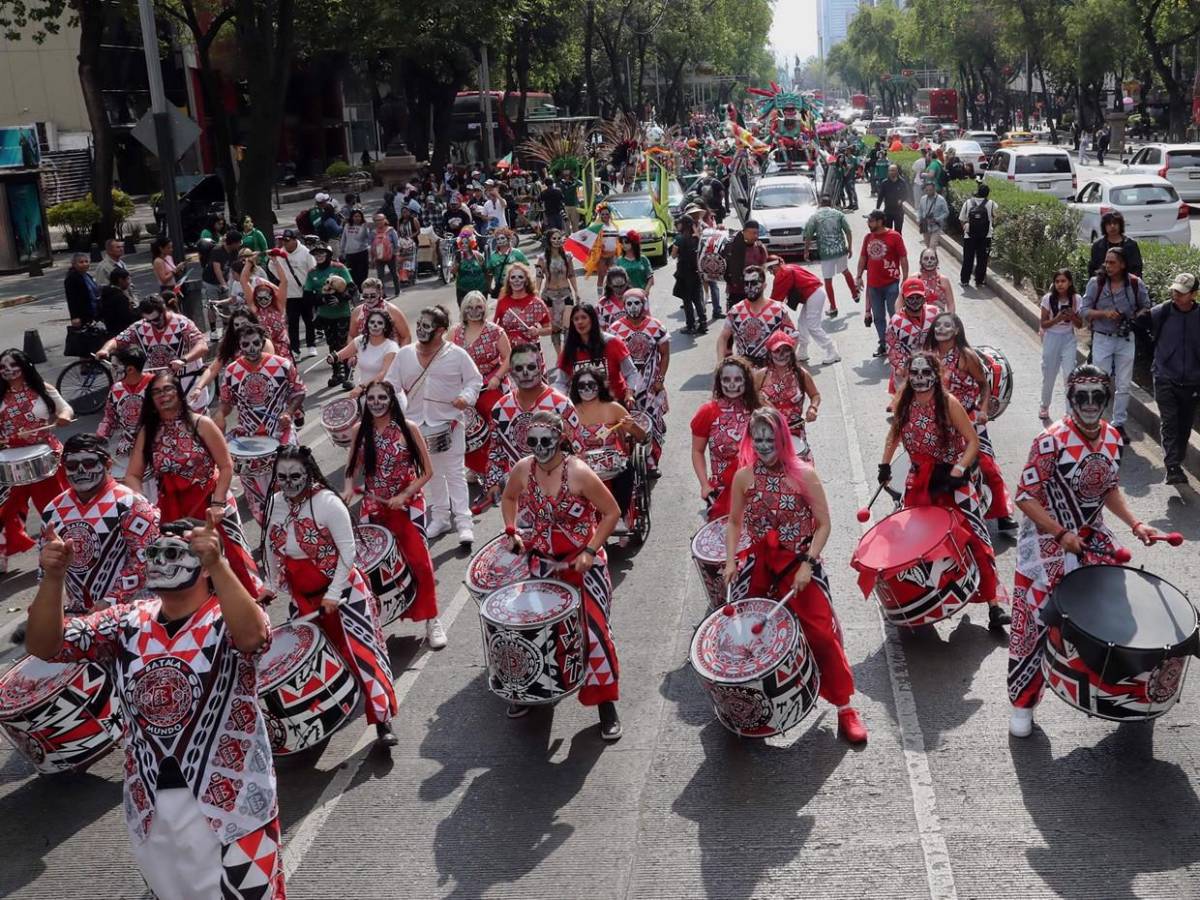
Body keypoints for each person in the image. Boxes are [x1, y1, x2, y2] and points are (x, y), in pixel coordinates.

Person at [27, 513, 283, 899]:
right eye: (153, 552)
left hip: (234, 807)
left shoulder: (223, 618)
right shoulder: (126, 620)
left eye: (174, 551)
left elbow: (254, 636)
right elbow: (45, 645)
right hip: (151, 808)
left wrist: (219, 564)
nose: (159, 560)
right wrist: (54, 578)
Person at [1006, 366, 1161, 737]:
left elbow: (1108, 488)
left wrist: (1135, 523)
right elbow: (1025, 497)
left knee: (1119, 611)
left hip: (1093, 536)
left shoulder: (1111, 437)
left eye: (1097, 396)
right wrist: (1060, 534)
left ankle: (1125, 693)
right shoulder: (1050, 441)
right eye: (1082, 396)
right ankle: (1023, 703)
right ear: (1071, 398)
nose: (1090, 403)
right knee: (1037, 621)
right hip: (1047, 540)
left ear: (1107, 398)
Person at [722, 408, 867, 743]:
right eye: (757, 438)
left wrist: (808, 563)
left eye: (769, 438)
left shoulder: (804, 475)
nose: (763, 444)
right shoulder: (743, 477)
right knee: (744, 637)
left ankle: (845, 707)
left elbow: (824, 524)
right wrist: (730, 562)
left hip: (799, 564)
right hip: (761, 565)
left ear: (783, 438)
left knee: (820, 633)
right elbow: (733, 522)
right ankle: (751, 707)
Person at [261, 446, 398, 747]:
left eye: (295, 475)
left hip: (345, 593)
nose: (289, 482)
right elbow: (270, 548)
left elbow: (348, 552)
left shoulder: (327, 503)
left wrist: (334, 593)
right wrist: (270, 585)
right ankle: (321, 723)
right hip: (304, 598)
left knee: (363, 656)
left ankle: (382, 720)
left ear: (308, 473)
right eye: (282, 476)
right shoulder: (274, 505)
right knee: (308, 662)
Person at [500, 410, 623, 738]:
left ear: (560, 438)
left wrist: (590, 550)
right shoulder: (523, 470)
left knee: (594, 634)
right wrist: (511, 530)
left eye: (546, 441)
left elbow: (612, 512)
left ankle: (605, 705)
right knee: (534, 631)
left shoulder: (580, 473)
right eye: (533, 441)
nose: (539, 448)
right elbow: (509, 497)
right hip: (541, 565)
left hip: (584, 568)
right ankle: (533, 693)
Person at [879, 351, 1008, 627]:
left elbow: (972, 442)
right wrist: (885, 465)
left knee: (977, 538)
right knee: (911, 543)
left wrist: (959, 469)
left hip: (954, 482)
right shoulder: (903, 401)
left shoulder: (949, 403)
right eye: (914, 374)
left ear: (936, 375)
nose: (920, 379)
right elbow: (894, 435)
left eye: (926, 373)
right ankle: (917, 602)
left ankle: (994, 605)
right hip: (920, 482)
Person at [125, 371, 262, 597]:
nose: (163, 395)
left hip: (210, 504)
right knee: (182, 569)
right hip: (172, 511)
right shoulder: (147, 431)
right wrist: (144, 507)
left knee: (232, 564)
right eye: (157, 392)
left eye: (168, 389)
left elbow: (226, 466)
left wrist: (218, 503)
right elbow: (132, 475)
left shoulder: (202, 423)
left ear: (178, 392)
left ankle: (250, 617)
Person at [343, 380, 442, 650]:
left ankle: (432, 619)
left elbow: (427, 472)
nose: (376, 403)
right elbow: (352, 468)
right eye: (371, 399)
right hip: (374, 508)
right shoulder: (359, 432)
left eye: (381, 398)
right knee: (371, 572)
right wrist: (347, 489)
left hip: (408, 506)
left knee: (419, 562)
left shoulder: (409, 429)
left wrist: (404, 495)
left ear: (391, 400)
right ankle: (375, 630)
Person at [386, 305, 482, 549]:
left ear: (440, 331)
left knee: (455, 472)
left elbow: (474, 380)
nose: (420, 329)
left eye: (426, 326)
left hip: (449, 423)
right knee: (432, 474)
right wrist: (401, 408)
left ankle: (464, 524)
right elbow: (391, 385)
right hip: (418, 425)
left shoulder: (457, 354)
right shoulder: (405, 354)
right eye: (419, 324)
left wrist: (465, 397)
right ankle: (440, 518)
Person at [39, 434, 159, 612]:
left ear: (108, 465)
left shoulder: (131, 504)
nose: (80, 471)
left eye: (88, 463)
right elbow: (44, 569)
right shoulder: (52, 511)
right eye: (72, 466)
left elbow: (148, 557)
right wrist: (47, 603)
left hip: (131, 612)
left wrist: (111, 601)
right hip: (78, 616)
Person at [923, 313, 1016, 530]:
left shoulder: (966, 356)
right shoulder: (928, 357)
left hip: (968, 417)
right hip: (939, 421)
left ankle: (1002, 513)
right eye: (937, 325)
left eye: (947, 325)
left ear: (956, 331)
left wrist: (983, 410)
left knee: (986, 464)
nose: (941, 329)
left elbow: (984, 385)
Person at [214, 323, 306, 525]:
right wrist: (221, 413)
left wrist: (288, 412)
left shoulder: (282, 365)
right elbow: (226, 402)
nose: (251, 348)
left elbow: (299, 391)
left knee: (289, 482)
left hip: (279, 434)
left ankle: (296, 525)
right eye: (245, 344)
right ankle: (269, 532)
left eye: (256, 343)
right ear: (239, 345)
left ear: (264, 341)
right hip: (249, 438)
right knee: (256, 495)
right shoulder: (231, 371)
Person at [0, 349, 73, 572]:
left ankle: (67, 548)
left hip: (46, 457)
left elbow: (65, 409)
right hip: (10, 461)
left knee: (53, 508)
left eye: (13, 365)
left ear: (25, 366)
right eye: (3, 367)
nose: (8, 371)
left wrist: (63, 417)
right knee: (4, 511)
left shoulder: (44, 389)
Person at [483, 343, 582, 503]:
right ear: (510, 372)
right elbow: (496, 450)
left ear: (541, 366)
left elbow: (578, 451)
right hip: (521, 498)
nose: (525, 373)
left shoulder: (561, 405)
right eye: (519, 368)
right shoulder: (500, 409)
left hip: (562, 495)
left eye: (530, 366)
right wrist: (493, 483)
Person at [1080, 247, 1151, 440]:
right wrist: (1104, 314)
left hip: (1126, 339)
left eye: (1112, 262)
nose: (1108, 266)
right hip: (1103, 338)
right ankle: (1096, 422)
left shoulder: (1135, 284)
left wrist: (1133, 319)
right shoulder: (1097, 283)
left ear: (1122, 264)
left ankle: (1118, 424)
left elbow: (1146, 306)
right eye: (1106, 262)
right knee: (1099, 382)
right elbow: (1083, 310)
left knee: (1123, 384)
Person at [99, 294, 210, 410]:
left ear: (164, 310)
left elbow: (202, 346)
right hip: (162, 386)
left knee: (196, 423)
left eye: (156, 319)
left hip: (188, 382)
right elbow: (117, 340)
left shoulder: (182, 324)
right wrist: (105, 350)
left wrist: (183, 360)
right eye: (148, 321)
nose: (153, 324)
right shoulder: (140, 327)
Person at [570, 368, 645, 524]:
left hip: (611, 461)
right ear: (576, 388)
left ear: (599, 385)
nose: (587, 389)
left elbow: (641, 436)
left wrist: (633, 426)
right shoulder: (570, 411)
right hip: (582, 464)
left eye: (591, 384)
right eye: (581, 385)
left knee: (627, 469)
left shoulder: (613, 408)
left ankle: (620, 515)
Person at [691, 357, 761, 520]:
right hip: (723, 490)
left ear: (746, 381)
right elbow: (697, 451)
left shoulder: (760, 408)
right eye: (726, 379)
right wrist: (704, 485)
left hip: (758, 486)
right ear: (719, 382)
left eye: (737, 379)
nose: (731, 384)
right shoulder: (707, 412)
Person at [609, 287, 669, 471]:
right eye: (629, 303)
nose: (633, 307)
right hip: (628, 388)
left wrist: (660, 379)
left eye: (637, 303)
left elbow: (665, 354)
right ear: (624, 305)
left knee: (652, 422)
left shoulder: (656, 326)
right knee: (629, 423)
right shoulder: (615, 329)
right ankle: (631, 461)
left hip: (651, 385)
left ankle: (651, 462)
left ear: (644, 304)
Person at [452, 291, 511, 477]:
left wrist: (498, 377)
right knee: (467, 425)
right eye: (469, 307)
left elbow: (509, 357)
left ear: (485, 308)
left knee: (492, 415)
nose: (474, 311)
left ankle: (498, 463)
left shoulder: (495, 331)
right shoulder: (455, 332)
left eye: (478, 307)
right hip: (466, 387)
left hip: (490, 384)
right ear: (463, 309)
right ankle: (477, 467)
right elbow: (444, 356)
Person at [1150, 272, 1200, 485]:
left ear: (1193, 294)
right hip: (1164, 376)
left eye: (1181, 293)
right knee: (1169, 422)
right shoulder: (1161, 312)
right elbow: (1142, 328)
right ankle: (1172, 466)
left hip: (1192, 381)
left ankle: (1176, 460)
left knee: (1184, 425)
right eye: (1174, 291)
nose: (1176, 295)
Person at [187, 308, 277, 409]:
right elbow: (213, 369)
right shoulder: (231, 343)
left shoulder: (263, 342)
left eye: (243, 324)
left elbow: (270, 370)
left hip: (267, 390)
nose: (240, 328)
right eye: (236, 325)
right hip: (245, 394)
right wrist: (198, 388)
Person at [554, 303, 638, 407]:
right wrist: (561, 401)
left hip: (616, 405)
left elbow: (631, 372)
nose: (580, 322)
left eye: (584, 317)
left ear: (593, 319)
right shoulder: (569, 349)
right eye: (576, 319)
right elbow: (561, 382)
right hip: (585, 409)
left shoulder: (613, 342)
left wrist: (629, 393)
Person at [754, 330, 820, 453]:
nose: (781, 355)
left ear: (791, 352)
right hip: (766, 432)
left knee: (803, 468)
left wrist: (813, 408)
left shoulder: (801, 374)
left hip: (794, 430)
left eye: (785, 350)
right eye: (777, 351)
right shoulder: (760, 375)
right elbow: (748, 399)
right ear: (770, 353)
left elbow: (815, 395)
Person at [718, 265, 796, 368]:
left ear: (764, 285)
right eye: (746, 283)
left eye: (754, 283)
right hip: (744, 371)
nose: (749, 287)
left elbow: (793, 336)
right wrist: (720, 364)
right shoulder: (736, 311)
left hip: (769, 369)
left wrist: (784, 363)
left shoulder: (778, 310)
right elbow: (723, 338)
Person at [96, 346, 154, 481]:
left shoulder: (156, 384)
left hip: (155, 444)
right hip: (127, 447)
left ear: (130, 369)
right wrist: (100, 436)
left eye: (115, 366)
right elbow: (109, 418)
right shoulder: (116, 388)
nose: (111, 369)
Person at [857, 210, 909, 358]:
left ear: (880, 221)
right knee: (878, 317)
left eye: (871, 221)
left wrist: (905, 279)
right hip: (873, 285)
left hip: (891, 284)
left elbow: (903, 258)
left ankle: (898, 344)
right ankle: (883, 344)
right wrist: (859, 276)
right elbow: (862, 258)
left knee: (895, 315)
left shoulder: (894, 237)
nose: (869, 223)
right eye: (868, 221)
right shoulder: (868, 238)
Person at [767, 261, 839, 365]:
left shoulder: (783, 273)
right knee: (802, 322)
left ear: (774, 267)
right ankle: (803, 351)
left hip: (813, 293)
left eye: (770, 270)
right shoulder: (789, 267)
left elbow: (775, 300)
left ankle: (831, 350)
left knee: (812, 326)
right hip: (814, 292)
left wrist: (765, 308)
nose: (771, 273)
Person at [802, 193, 858, 316]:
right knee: (845, 271)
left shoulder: (815, 217)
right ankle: (854, 294)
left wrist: (806, 251)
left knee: (828, 280)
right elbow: (848, 231)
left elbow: (808, 236)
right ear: (831, 204)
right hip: (840, 249)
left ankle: (833, 307)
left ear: (820, 204)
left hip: (826, 253)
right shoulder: (838, 214)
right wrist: (850, 246)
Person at [1038, 268, 1082, 421]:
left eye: (1063, 281)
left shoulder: (1076, 299)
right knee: (1049, 374)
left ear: (1069, 282)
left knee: (1070, 375)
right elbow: (1043, 324)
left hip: (1068, 339)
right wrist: (1057, 319)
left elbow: (1080, 325)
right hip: (1052, 339)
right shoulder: (1048, 299)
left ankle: (1070, 411)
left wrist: (1072, 316)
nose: (1060, 285)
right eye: (1057, 281)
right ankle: (1044, 406)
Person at [886, 278, 940, 398]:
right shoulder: (896, 322)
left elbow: (944, 340)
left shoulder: (935, 313)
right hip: (907, 366)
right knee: (905, 400)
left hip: (932, 363)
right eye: (911, 297)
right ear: (904, 298)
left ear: (925, 296)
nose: (915, 301)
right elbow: (892, 349)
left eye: (918, 297)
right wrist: (902, 367)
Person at [268, 228, 318, 358]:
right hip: (290, 294)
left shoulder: (306, 253)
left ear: (295, 240)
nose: (285, 243)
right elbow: (271, 267)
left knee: (309, 320)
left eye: (288, 240)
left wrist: (310, 287)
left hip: (305, 291)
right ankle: (295, 349)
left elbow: (312, 270)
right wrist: (284, 279)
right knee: (293, 322)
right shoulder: (280, 254)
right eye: (283, 240)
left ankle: (311, 344)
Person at [493, 261, 552, 362]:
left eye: (520, 277)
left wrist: (538, 331)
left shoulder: (536, 302)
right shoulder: (502, 302)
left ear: (526, 281)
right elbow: (494, 328)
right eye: (513, 277)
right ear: (509, 281)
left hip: (531, 354)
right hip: (509, 355)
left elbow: (550, 328)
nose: (516, 280)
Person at [334, 307, 400, 395]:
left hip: (386, 394)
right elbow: (342, 354)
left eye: (379, 323)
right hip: (366, 393)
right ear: (367, 324)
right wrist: (333, 357)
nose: (375, 326)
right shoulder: (361, 340)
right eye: (372, 322)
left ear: (385, 326)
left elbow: (383, 373)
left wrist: (362, 387)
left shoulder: (391, 347)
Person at [537, 230, 580, 351]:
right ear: (549, 240)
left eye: (559, 238)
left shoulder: (567, 256)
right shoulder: (542, 258)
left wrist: (576, 291)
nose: (557, 241)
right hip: (549, 295)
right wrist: (536, 292)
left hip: (566, 294)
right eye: (554, 238)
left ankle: (567, 354)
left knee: (567, 327)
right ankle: (559, 355)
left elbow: (571, 274)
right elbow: (539, 276)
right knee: (555, 328)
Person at [239, 267, 291, 358]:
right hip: (264, 347)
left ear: (272, 297)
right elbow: (243, 280)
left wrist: (275, 261)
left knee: (285, 368)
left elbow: (284, 282)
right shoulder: (255, 309)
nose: (263, 300)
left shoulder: (279, 307)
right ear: (256, 298)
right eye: (260, 298)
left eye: (266, 297)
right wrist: (248, 263)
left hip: (282, 346)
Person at [347, 276, 413, 346]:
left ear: (380, 293)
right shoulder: (357, 312)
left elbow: (406, 337)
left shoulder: (392, 311)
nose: (369, 299)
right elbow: (351, 335)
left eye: (373, 296)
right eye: (365, 296)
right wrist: (353, 355)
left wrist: (399, 355)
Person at [722, 220, 769, 314]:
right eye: (751, 233)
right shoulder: (732, 247)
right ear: (744, 232)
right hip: (736, 290)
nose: (755, 236)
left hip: (754, 292)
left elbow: (763, 267)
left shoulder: (760, 248)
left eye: (756, 233)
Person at [672, 215, 706, 335]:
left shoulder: (679, 239)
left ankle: (690, 325)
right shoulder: (697, 238)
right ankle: (703, 323)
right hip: (696, 272)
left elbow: (673, 255)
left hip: (684, 273)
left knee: (687, 301)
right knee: (697, 299)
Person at [958, 183, 996, 289]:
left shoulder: (968, 202)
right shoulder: (992, 203)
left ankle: (965, 280)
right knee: (982, 259)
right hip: (986, 236)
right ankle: (979, 280)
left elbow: (961, 218)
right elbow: (995, 216)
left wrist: (966, 229)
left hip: (969, 236)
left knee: (968, 258)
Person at [1087, 211, 1144, 279]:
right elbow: (1093, 269)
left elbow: (1137, 268)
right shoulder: (1098, 246)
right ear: (1104, 226)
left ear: (1120, 225)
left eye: (1115, 223)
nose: (1112, 226)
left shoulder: (1130, 244)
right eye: (1109, 224)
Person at [698, 214, 729, 320]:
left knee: (713, 287)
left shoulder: (704, 227)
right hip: (699, 266)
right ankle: (702, 311)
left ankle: (716, 310)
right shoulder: (694, 233)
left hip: (708, 263)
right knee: (702, 290)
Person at [486, 228, 529, 298]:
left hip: (517, 286)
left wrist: (527, 285)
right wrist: (489, 287)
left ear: (508, 239)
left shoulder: (517, 253)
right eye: (497, 239)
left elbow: (526, 270)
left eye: (502, 238)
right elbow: (489, 274)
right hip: (501, 288)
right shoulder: (493, 256)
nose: (500, 241)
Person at [64, 252, 100, 326]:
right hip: (83, 314)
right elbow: (71, 299)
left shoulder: (87, 275)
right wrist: (75, 316)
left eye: (86, 261)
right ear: (74, 264)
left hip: (94, 311)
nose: (84, 264)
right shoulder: (72, 278)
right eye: (81, 262)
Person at [98, 268, 139, 335]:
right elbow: (127, 318)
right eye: (128, 279)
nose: (129, 282)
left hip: (110, 329)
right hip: (121, 331)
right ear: (120, 280)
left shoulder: (106, 293)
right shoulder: (120, 297)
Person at [915, 247, 956, 313]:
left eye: (932, 258)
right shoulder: (914, 278)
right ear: (921, 262)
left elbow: (951, 304)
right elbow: (900, 302)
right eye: (926, 258)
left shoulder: (944, 280)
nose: (929, 261)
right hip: (918, 321)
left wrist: (949, 319)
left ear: (937, 261)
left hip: (939, 320)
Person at [341, 208, 372, 287]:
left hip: (361, 252)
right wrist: (342, 251)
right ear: (352, 217)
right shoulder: (347, 225)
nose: (357, 218)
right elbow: (343, 238)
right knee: (352, 274)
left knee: (362, 274)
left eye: (359, 216)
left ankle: (363, 290)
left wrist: (366, 228)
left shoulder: (363, 226)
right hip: (350, 253)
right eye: (355, 216)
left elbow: (366, 237)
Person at [596, 266, 632, 331]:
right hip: (613, 339)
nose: (619, 289)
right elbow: (603, 328)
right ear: (609, 284)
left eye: (622, 286)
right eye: (615, 286)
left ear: (627, 282)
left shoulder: (636, 298)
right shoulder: (602, 303)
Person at [875, 164, 907, 234]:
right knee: (887, 232)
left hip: (898, 211)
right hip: (888, 211)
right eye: (890, 171)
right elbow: (880, 197)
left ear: (897, 171)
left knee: (898, 232)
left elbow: (906, 195)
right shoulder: (884, 183)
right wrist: (877, 209)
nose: (891, 172)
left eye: (893, 170)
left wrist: (901, 200)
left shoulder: (902, 182)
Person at [917, 181, 949, 249]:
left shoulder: (941, 199)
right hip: (925, 227)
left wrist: (937, 219)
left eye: (930, 190)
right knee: (928, 247)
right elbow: (919, 210)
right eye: (927, 190)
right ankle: (933, 258)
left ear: (934, 189)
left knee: (932, 246)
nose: (928, 192)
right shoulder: (923, 198)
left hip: (936, 227)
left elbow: (946, 212)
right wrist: (918, 219)